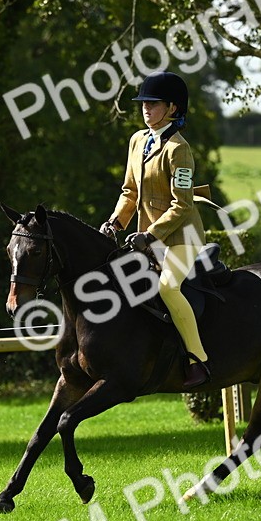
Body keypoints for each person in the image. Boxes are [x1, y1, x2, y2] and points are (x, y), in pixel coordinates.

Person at [100, 72, 211, 389]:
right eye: (144, 104)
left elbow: (183, 205)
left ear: (173, 108)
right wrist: (115, 222)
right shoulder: (137, 141)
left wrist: (150, 235)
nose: (146, 109)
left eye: (153, 104)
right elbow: (129, 192)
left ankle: (197, 359)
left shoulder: (179, 150)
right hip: (145, 241)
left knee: (166, 289)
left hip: (181, 239)